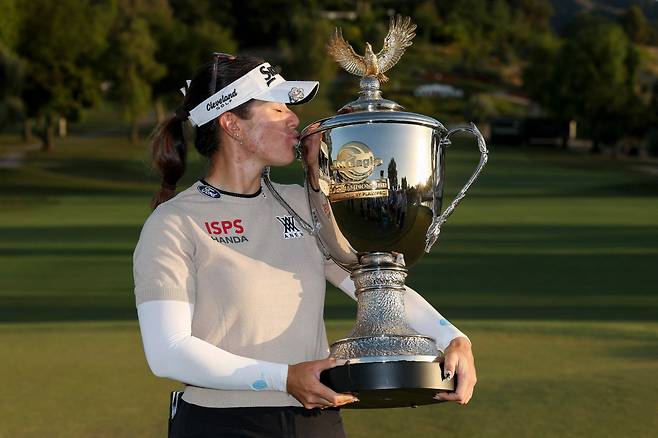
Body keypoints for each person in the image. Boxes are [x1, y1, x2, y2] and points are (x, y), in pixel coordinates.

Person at [133, 53, 476, 438]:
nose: (293, 117)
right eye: (277, 108)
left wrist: (452, 337)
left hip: (315, 422)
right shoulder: (174, 223)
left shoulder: (306, 203)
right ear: (232, 124)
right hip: (222, 425)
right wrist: (284, 378)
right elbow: (168, 352)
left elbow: (377, 284)